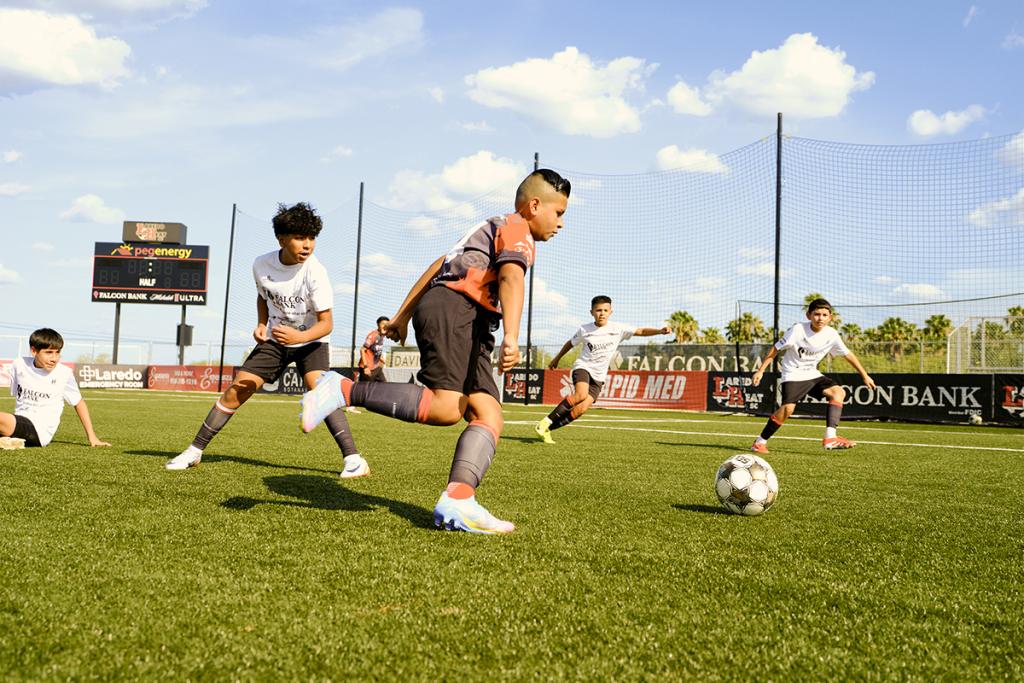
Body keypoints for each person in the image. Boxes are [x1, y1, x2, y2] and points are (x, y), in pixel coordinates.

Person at [300, 169, 571, 534]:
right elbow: (511, 277)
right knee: (446, 408)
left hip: (466, 318)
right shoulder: (518, 228)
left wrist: (401, 316)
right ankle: (341, 388)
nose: (561, 223)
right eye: (559, 213)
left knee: (488, 413)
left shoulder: (488, 228)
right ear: (534, 205)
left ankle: (458, 501)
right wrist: (512, 336)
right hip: (457, 309)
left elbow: (435, 268)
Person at [165, 202, 367, 478]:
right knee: (240, 387)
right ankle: (194, 450)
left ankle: (354, 460)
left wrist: (300, 336)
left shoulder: (316, 272)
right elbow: (264, 297)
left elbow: (326, 324)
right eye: (299, 238)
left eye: (311, 238)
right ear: (281, 239)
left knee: (320, 391)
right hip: (276, 339)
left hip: (311, 340)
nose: (307, 245)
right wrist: (261, 324)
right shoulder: (261, 264)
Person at [534, 296, 671, 443]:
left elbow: (641, 331)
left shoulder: (618, 329)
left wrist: (659, 331)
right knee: (580, 395)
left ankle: (547, 430)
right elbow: (570, 343)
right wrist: (556, 359)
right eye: (598, 310)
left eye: (605, 310)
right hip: (583, 367)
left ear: (611, 312)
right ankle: (545, 422)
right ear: (591, 312)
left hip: (599, 376)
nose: (602, 313)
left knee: (581, 409)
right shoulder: (584, 329)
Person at [750, 298, 875, 452]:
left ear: (830, 317)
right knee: (788, 409)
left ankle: (830, 437)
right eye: (816, 314)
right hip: (793, 374)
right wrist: (761, 370)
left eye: (824, 315)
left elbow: (848, 355)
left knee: (838, 392)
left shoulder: (832, 334)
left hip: (812, 374)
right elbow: (776, 349)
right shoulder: (797, 330)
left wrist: (864, 375)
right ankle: (760, 442)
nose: (820, 318)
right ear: (808, 315)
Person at [0, 328, 110, 450]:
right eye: (48, 352)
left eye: (57, 352)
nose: (54, 358)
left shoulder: (64, 373)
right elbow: (18, 396)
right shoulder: (19, 365)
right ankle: (9, 440)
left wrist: (92, 437)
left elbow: (79, 403)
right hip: (17, 422)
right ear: (33, 351)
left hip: (39, 430)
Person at [357, 316, 390, 383]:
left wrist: (381, 358)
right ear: (378, 325)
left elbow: (376, 349)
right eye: (382, 324)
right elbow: (362, 350)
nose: (384, 326)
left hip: (376, 367)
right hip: (368, 367)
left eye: (387, 324)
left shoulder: (382, 335)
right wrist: (366, 367)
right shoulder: (373, 335)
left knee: (385, 386)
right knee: (366, 389)